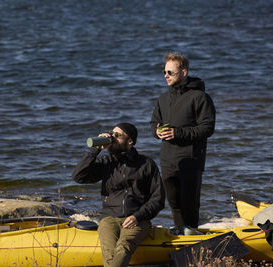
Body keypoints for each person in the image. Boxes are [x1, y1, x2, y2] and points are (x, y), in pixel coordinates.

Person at [72, 123, 165, 267]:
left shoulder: (147, 164)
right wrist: (95, 151)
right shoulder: (106, 163)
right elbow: (78, 176)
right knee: (109, 252)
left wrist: (137, 216)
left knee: (123, 246)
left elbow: (158, 199)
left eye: (117, 135)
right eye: (111, 134)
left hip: (138, 219)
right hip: (109, 218)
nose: (112, 138)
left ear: (130, 141)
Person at [150, 53, 216, 228]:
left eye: (170, 72)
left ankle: (193, 241)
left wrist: (177, 133)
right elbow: (153, 124)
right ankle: (180, 236)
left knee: (189, 205)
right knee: (174, 204)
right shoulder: (163, 99)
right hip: (167, 161)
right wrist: (157, 132)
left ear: (184, 72)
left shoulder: (200, 97)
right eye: (164, 72)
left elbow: (207, 128)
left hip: (191, 160)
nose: (166, 75)